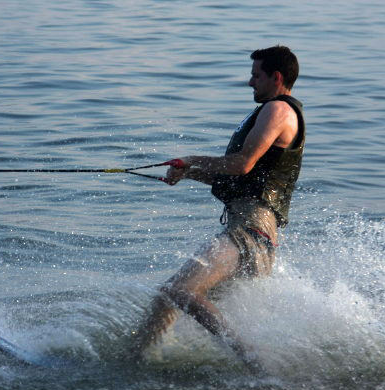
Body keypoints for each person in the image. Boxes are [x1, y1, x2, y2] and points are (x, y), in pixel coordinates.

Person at [130, 46, 305, 368]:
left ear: (276, 77)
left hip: (250, 230)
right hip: (250, 230)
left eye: (256, 75)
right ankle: (137, 363)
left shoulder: (277, 110)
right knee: (167, 298)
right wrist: (190, 174)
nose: (250, 82)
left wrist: (190, 158)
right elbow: (243, 179)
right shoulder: (269, 112)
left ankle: (256, 364)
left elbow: (241, 164)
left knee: (180, 290)